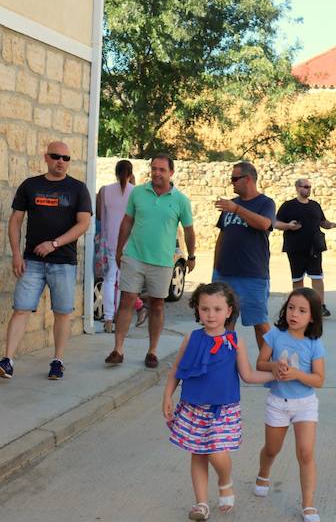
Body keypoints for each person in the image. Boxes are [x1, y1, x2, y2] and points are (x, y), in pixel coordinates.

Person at [162, 282, 273, 522]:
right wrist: (167, 396)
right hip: (193, 408)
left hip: (223, 409)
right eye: (205, 309)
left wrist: (276, 376)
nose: (211, 314)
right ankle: (201, 503)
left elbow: (248, 375)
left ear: (229, 311)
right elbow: (177, 372)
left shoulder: (234, 341)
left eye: (217, 309)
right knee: (198, 454)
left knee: (216, 452)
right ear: (197, 310)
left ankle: (225, 481)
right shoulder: (191, 338)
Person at [1, 142, 92, 381]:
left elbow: (83, 223)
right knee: (21, 309)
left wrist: (54, 243)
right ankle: (8, 360)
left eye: (66, 157)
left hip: (63, 262)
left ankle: (57, 361)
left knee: (62, 312)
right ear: (46, 158)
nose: (61, 161)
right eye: (56, 156)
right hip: (31, 261)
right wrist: (17, 255)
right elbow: (15, 221)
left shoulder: (78, 189)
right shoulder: (30, 185)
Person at [105, 153, 196, 369]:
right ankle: (118, 349)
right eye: (154, 168)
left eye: (162, 170)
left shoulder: (180, 200)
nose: (157, 173)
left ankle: (152, 351)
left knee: (157, 305)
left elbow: (189, 231)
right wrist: (119, 249)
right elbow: (127, 222)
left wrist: (191, 255)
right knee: (127, 300)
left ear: (171, 173)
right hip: (134, 256)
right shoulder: (138, 193)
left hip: (163, 261)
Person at [254, 288, 325, 522]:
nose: (294, 314)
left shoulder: (314, 343)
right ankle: (263, 473)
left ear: (312, 317)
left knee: (305, 452)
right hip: (277, 403)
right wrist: (274, 367)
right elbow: (260, 363)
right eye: (291, 308)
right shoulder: (274, 335)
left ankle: (308, 504)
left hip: (305, 404)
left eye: (302, 310)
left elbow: (319, 380)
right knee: (272, 449)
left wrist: (296, 374)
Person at [212, 162, 276, 350]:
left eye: (234, 178)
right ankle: (224, 365)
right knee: (224, 323)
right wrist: (215, 269)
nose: (231, 183)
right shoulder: (231, 205)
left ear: (248, 179)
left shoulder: (265, 203)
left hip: (253, 275)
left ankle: (269, 366)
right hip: (225, 274)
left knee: (260, 323)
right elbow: (222, 235)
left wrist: (237, 209)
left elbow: (265, 224)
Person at [275, 178, 336, 316]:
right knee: (297, 279)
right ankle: (299, 306)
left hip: (314, 248)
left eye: (310, 187)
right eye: (305, 186)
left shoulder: (315, 205)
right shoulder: (288, 206)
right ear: (297, 188)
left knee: (317, 277)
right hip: (295, 248)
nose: (308, 189)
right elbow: (275, 223)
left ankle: (319, 307)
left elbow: (324, 223)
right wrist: (288, 226)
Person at [96, 160, 142, 334]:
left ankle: (108, 319)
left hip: (110, 242)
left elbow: (100, 215)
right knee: (125, 283)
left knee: (109, 280)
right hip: (130, 243)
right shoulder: (137, 192)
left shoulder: (104, 191)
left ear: (115, 172)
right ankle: (122, 319)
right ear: (131, 173)